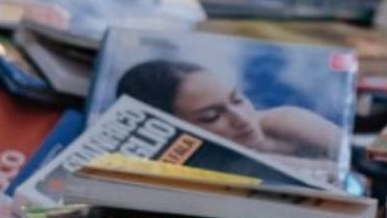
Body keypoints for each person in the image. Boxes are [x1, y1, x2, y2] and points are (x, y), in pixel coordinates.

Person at [116, 59, 343, 160]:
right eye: (211, 116)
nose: (241, 118)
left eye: (237, 100)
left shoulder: (283, 122)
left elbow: (352, 162)